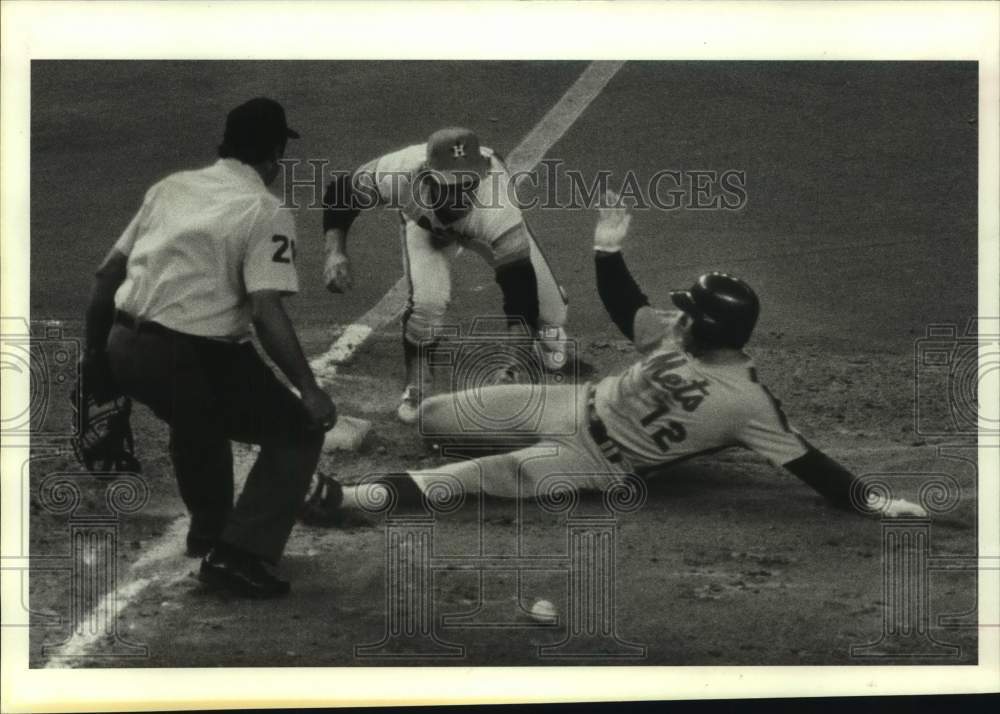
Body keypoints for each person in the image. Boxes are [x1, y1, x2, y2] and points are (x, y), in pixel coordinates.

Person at [312, 194, 926, 519]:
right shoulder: (673, 335)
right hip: (568, 403)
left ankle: (346, 500)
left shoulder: (748, 405)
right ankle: (468, 438)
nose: (675, 312)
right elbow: (622, 300)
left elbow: (812, 466)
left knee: (476, 480)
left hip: (592, 461)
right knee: (432, 417)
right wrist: (608, 250)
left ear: (707, 327)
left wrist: (874, 502)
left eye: (688, 311)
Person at [82, 97, 337, 598]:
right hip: (188, 357)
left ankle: (209, 532)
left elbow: (106, 276)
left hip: (124, 345)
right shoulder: (264, 209)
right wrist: (309, 390)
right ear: (275, 153)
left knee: (199, 412)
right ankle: (239, 557)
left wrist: (96, 364)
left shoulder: (170, 187)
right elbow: (266, 311)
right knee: (297, 431)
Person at [321, 127, 571, 424]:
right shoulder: (399, 174)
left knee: (551, 313)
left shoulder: (499, 208)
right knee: (427, 303)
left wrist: (511, 369)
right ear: (427, 177)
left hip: (485, 229)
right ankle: (418, 384)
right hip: (426, 226)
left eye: (468, 184)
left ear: (483, 175)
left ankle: (549, 317)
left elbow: (519, 295)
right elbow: (340, 193)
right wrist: (334, 252)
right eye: (450, 185)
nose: (459, 195)